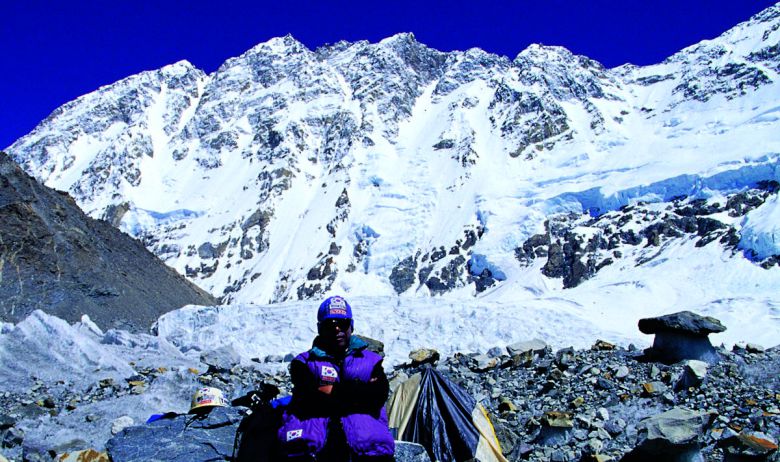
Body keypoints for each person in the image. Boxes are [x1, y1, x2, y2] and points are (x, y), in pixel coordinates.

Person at [277, 295, 395, 461]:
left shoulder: (372, 361)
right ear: (320, 328)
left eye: (343, 323)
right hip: (316, 450)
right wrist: (359, 393)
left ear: (351, 326)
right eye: (330, 325)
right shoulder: (303, 362)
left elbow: (377, 396)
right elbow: (307, 399)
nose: (337, 329)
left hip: (368, 450)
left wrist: (330, 390)